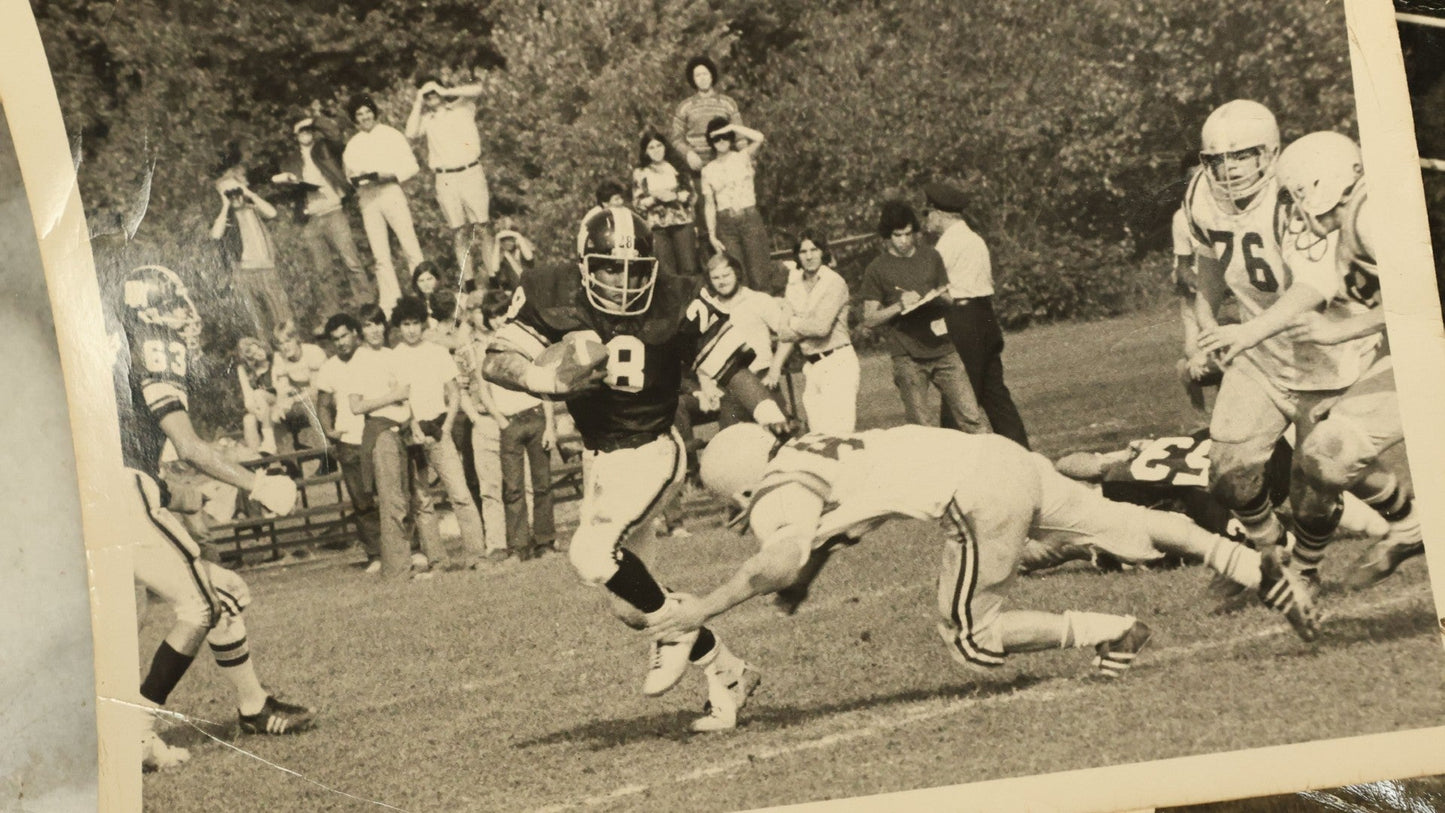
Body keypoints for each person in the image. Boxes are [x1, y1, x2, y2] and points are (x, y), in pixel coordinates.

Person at [481, 205, 790, 732]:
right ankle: (727, 669)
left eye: (634, 269)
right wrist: (542, 380)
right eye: (608, 268)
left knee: (589, 552)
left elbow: (728, 363)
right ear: (584, 265)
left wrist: (768, 410)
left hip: (653, 447)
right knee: (629, 606)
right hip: (601, 457)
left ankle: (675, 632)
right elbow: (496, 358)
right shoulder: (551, 290)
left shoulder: (676, 296)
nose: (623, 282)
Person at [651, 425, 1156, 701]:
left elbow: (780, 559)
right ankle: (1106, 560)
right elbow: (832, 530)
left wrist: (706, 608)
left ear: (742, 487)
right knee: (1047, 542)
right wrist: (805, 581)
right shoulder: (809, 447)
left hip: (968, 494)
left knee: (971, 638)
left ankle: (1113, 630)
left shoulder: (775, 493)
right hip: (987, 467)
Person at [1199, 131, 1423, 594]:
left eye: (1299, 199)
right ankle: (1408, 527)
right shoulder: (1356, 211)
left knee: (1323, 460)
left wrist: (1340, 330)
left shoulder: (1374, 217)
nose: (1295, 214)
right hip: (1409, 350)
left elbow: (1424, 299)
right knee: (1324, 455)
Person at [113, 265, 312, 770]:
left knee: (224, 594)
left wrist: (180, 496)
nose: (187, 313)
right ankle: (135, 733)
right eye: (177, 302)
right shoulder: (155, 343)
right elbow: (188, 445)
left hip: (106, 493)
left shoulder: (113, 344)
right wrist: (258, 484)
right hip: (118, 495)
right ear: (153, 309)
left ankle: (254, 707)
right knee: (200, 605)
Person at [860, 201, 988, 434]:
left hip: (944, 349)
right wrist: (899, 305)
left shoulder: (931, 256)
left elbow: (949, 298)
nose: (904, 241)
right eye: (898, 235)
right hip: (907, 357)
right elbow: (869, 319)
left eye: (909, 234)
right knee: (923, 430)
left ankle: (992, 466)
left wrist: (938, 298)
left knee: (972, 418)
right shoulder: (876, 269)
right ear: (887, 236)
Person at [923, 182, 1030, 447]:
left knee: (957, 394)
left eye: (928, 214)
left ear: (939, 213)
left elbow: (932, 289)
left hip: (962, 319)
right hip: (985, 316)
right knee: (995, 394)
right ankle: (1023, 455)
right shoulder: (974, 239)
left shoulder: (946, 246)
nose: (926, 220)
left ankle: (953, 462)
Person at [348, 303, 446, 578]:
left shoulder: (392, 355)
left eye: (378, 323)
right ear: (360, 331)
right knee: (393, 502)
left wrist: (413, 423)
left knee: (412, 496)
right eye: (368, 325)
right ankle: (398, 568)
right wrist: (392, 396)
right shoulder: (359, 360)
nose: (374, 330)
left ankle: (418, 560)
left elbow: (407, 396)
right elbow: (356, 406)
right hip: (380, 432)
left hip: (404, 429)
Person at [390, 296, 489, 568]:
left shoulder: (435, 351)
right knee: (421, 500)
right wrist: (410, 426)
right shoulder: (394, 357)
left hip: (438, 429)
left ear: (423, 323)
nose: (410, 329)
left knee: (460, 493)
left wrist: (445, 427)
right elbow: (398, 399)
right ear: (399, 326)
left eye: (415, 323)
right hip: (411, 433)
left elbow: (454, 393)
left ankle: (476, 555)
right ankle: (437, 559)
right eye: (405, 324)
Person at [273, 113, 374, 315]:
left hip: (334, 211)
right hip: (310, 217)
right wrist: (288, 180)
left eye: (308, 129)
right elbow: (285, 186)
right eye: (301, 130)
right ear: (295, 135)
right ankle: (332, 313)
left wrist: (313, 121)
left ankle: (367, 306)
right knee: (322, 270)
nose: (306, 133)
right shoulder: (290, 160)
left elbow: (335, 134)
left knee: (351, 262)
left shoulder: (325, 148)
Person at [405, 77, 496, 286]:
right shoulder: (427, 119)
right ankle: (469, 281)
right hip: (445, 177)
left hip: (470, 171)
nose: (431, 97)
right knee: (458, 231)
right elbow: (410, 133)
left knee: (483, 226)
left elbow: (479, 90)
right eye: (427, 95)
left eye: (433, 92)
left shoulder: (462, 107)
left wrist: (444, 91)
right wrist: (419, 100)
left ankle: (494, 275)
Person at [767, 231, 858, 434]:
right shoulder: (794, 285)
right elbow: (783, 332)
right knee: (818, 436)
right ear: (797, 256)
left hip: (837, 361)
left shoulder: (834, 282)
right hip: (812, 366)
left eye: (814, 250)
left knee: (840, 436)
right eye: (803, 251)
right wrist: (803, 325)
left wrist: (794, 321)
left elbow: (821, 328)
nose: (809, 256)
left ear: (822, 252)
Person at [315, 313, 386, 572]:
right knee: (362, 500)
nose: (341, 343)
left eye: (344, 336)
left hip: (378, 434)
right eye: (335, 339)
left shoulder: (373, 357)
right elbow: (322, 404)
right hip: (349, 441)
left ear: (355, 333)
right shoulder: (329, 367)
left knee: (390, 494)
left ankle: (408, 548)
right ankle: (375, 554)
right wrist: (329, 431)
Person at [343, 94, 425, 315]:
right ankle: (391, 305)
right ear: (354, 120)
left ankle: (425, 298)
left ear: (374, 113)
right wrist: (358, 179)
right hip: (368, 198)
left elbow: (412, 166)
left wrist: (391, 175)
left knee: (410, 246)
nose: (365, 117)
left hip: (391, 192)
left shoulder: (392, 135)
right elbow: (350, 176)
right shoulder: (352, 145)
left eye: (367, 112)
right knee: (380, 254)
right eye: (359, 114)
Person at [209, 148, 294, 339]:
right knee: (258, 325)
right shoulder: (224, 216)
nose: (234, 195)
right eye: (227, 191)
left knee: (283, 318)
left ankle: (288, 350)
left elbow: (272, 213)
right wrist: (225, 204)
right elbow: (215, 235)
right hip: (243, 271)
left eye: (235, 189)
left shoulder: (252, 206)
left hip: (266, 267)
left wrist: (249, 194)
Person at [696, 252, 779, 426]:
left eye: (726, 275)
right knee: (733, 443)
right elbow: (700, 352)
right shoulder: (708, 310)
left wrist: (775, 369)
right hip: (729, 386)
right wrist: (705, 382)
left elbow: (788, 335)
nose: (722, 281)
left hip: (762, 378)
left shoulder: (758, 300)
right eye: (716, 277)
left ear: (737, 274)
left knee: (779, 437)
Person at [700, 119, 776, 293]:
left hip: (749, 219)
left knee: (759, 274)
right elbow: (710, 204)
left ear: (731, 137)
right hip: (726, 225)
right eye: (716, 138)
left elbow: (759, 137)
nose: (721, 141)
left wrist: (732, 126)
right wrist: (712, 235)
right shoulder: (708, 170)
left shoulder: (743, 157)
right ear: (711, 142)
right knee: (736, 275)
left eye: (725, 136)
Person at [633, 129, 699, 278]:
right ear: (645, 152)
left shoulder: (677, 167)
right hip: (657, 228)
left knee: (689, 268)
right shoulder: (641, 172)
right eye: (651, 147)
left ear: (665, 146)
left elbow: (692, 196)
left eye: (659, 146)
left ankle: (690, 300)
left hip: (682, 223)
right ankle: (673, 301)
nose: (656, 150)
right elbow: (637, 203)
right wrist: (656, 198)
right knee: (665, 271)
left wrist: (675, 196)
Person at [670, 56, 743, 175]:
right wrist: (689, 153)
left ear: (711, 75)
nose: (702, 78)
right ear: (693, 79)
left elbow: (740, 135)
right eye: (698, 75)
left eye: (705, 74)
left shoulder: (728, 103)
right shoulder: (685, 106)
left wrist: (746, 158)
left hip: (726, 167)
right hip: (698, 169)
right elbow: (676, 139)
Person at [270, 320, 329, 455]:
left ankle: (327, 456)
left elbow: (316, 389)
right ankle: (289, 464)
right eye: (280, 343)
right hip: (301, 400)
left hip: (327, 397)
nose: (285, 347)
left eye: (288, 341)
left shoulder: (313, 352)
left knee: (311, 404)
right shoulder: (280, 359)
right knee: (274, 415)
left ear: (297, 338)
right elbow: (282, 389)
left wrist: (293, 399)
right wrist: (280, 406)